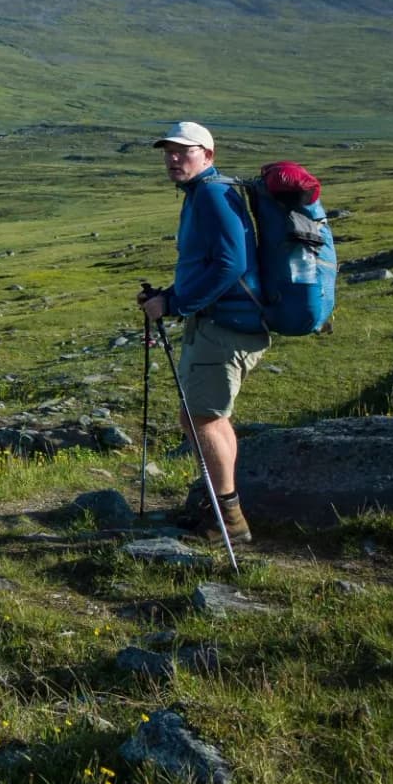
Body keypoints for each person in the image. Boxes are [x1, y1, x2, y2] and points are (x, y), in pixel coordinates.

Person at [137, 120, 267, 544]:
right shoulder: (202, 194)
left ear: (207, 156)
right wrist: (172, 295)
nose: (173, 159)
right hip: (219, 323)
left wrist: (174, 304)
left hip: (226, 326)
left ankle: (228, 521)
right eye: (169, 151)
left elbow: (230, 264)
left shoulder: (212, 194)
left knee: (203, 419)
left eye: (184, 151)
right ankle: (220, 509)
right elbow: (209, 263)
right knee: (203, 417)